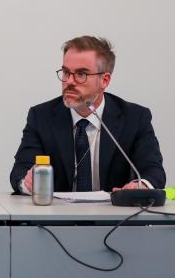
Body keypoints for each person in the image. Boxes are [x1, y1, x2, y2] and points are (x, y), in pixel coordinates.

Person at [10, 36, 166, 194]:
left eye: (81, 74)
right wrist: (27, 182)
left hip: (115, 216)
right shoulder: (41, 116)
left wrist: (141, 185)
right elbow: (20, 171)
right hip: (56, 217)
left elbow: (153, 171)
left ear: (104, 80)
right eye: (66, 72)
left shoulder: (134, 118)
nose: (69, 81)